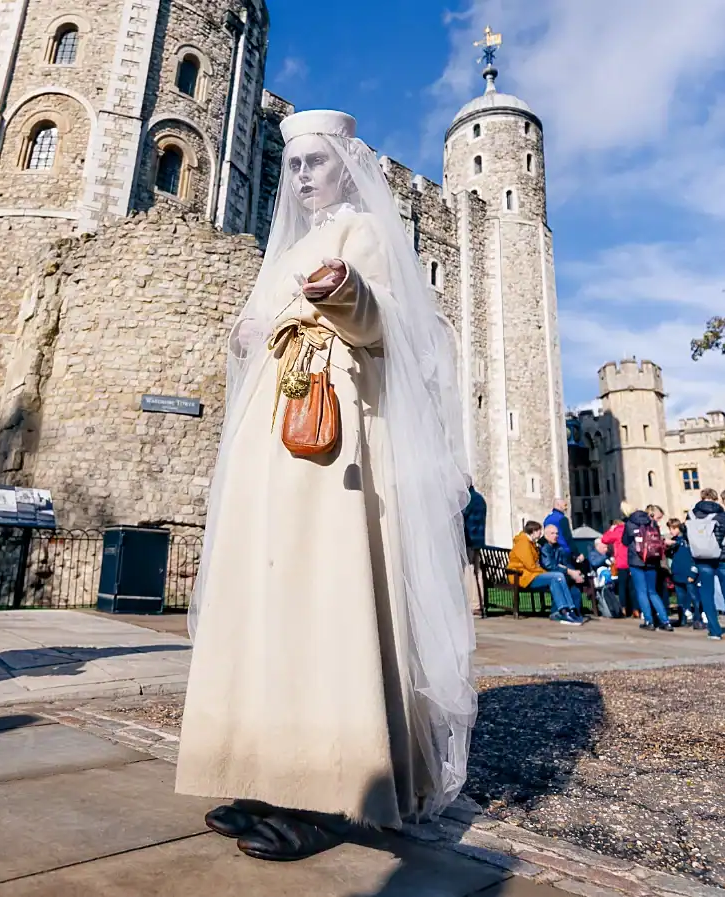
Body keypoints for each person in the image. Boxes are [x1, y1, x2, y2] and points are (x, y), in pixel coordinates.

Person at [175, 110, 476, 861]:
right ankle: (253, 765)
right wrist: (248, 332)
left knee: (318, 592)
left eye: (317, 161)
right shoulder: (287, 247)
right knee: (263, 595)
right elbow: (255, 326)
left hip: (329, 431)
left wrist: (343, 295)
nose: (303, 175)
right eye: (295, 163)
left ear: (346, 164)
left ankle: (320, 788)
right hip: (267, 435)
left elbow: (389, 330)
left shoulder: (365, 233)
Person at [508, 521, 583, 625]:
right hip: (523, 576)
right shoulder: (523, 543)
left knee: (558, 577)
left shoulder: (531, 543)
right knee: (556, 576)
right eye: (539, 531)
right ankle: (564, 610)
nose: (540, 534)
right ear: (533, 531)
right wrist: (544, 572)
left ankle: (569, 609)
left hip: (531, 574)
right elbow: (531, 566)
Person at [623, 507, 673, 631]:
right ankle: (665, 621)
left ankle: (649, 621)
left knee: (641, 592)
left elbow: (624, 541)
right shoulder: (652, 522)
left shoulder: (630, 523)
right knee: (653, 591)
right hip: (652, 560)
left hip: (636, 560)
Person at [687, 488, 725, 641]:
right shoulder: (721, 515)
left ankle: (714, 630)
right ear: (715, 499)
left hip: (702, 558)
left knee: (707, 594)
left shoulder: (691, 514)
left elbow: (687, 535)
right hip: (723, 557)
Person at [539, 524, 587, 620]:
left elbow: (565, 562)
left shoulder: (558, 547)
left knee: (574, 586)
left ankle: (574, 611)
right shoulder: (544, 546)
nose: (555, 535)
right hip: (546, 575)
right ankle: (557, 611)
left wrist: (575, 573)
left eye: (557, 533)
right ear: (546, 535)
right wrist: (569, 572)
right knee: (560, 578)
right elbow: (549, 565)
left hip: (560, 573)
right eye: (552, 533)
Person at [666, 518, 702, 629]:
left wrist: (693, 572)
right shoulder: (674, 541)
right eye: (670, 528)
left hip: (688, 573)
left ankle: (698, 619)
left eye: (674, 528)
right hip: (677, 573)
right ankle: (682, 619)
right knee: (681, 599)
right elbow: (671, 555)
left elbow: (696, 558)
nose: (671, 531)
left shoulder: (688, 541)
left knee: (694, 597)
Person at [462, 482, 488, 615]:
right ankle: (479, 602)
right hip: (478, 539)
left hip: (469, 539)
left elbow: (461, 517)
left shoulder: (467, 499)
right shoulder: (479, 498)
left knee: (469, 570)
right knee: (477, 572)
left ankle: (472, 603)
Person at [602, 515, 634, 617]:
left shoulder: (616, 531)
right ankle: (636, 609)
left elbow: (604, 539)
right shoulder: (630, 529)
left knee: (622, 587)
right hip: (632, 561)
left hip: (621, 562)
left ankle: (623, 608)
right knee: (632, 587)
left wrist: (611, 530)